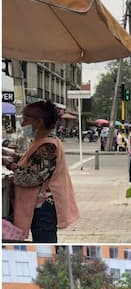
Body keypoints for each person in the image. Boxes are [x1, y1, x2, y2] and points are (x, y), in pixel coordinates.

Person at [4, 100, 80, 242]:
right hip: (39, 207)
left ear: (39, 122)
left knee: (44, 241)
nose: (22, 124)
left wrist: (9, 165)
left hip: (43, 208)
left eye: (26, 119)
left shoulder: (48, 146)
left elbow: (31, 177)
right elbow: (34, 162)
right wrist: (16, 158)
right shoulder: (42, 142)